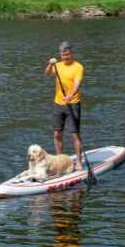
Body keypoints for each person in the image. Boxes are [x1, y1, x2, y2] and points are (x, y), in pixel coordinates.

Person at [44, 41, 84, 170]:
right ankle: (60, 161)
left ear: (72, 54)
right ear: (60, 55)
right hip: (58, 104)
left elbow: (77, 85)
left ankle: (78, 161)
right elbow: (47, 73)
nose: (65, 57)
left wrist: (70, 96)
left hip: (73, 104)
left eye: (67, 54)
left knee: (75, 135)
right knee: (57, 134)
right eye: (63, 55)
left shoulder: (78, 67)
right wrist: (50, 64)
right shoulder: (58, 65)